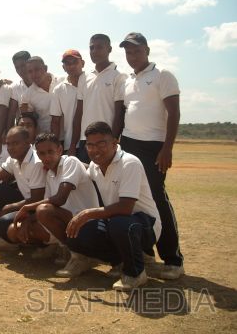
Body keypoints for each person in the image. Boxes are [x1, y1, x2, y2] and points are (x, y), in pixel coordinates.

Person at [59, 122, 161, 291]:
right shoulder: (95, 166)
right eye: (90, 145)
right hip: (117, 222)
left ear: (114, 143)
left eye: (101, 144)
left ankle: (135, 273)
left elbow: (126, 208)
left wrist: (87, 213)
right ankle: (119, 261)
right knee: (78, 233)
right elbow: (83, 174)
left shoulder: (129, 163)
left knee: (118, 223)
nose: (95, 150)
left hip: (145, 224)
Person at [119, 32, 184, 279]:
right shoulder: (128, 80)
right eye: (128, 52)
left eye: (136, 51)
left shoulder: (162, 75)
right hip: (128, 144)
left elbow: (174, 113)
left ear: (147, 50)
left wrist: (167, 148)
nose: (132, 56)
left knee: (157, 199)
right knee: (133, 199)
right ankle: (144, 253)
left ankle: (173, 260)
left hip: (153, 146)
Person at [9, 133, 98, 259]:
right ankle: (61, 247)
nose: (47, 157)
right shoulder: (50, 174)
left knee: (43, 210)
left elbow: (59, 199)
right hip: (66, 221)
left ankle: (78, 255)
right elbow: (51, 203)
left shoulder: (70, 162)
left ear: (60, 150)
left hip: (86, 223)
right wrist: (27, 220)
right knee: (13, 230)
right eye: (42, 153)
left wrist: (27, 207)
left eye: (50, 151)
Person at [69, 34, 126, 163]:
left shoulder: (118, 76)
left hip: (105, 142)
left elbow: (119, 113)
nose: (94, 51)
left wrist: (113, 141)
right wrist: (73, 144)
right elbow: (79, 113)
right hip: (85, 141)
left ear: (109, 49)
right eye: (92, 48)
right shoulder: (84, 77)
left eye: (99, 47)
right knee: (87, 175)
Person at [50, 49, 85, 155]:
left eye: (75, 62)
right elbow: (55, 121)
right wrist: (55, 148)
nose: (72, 66)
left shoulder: (92, 83)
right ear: (63, 68)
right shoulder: (58, 90)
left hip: (94, 141)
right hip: (70, 145)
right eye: (68, 64)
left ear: (82, 63)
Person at [20, 56, 63, 134]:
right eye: (30, 71)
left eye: (37, 69)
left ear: (45, 68)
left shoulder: (62, 82)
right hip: (46, 138)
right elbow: (28, 121)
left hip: (69, 136)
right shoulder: (27, 96)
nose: (34, 74)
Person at [7, 51, 32, 129]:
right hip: (25, 134)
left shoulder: (42, 84)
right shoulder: (15, 88)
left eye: (23, 65)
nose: (20, 70)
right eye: (17, 67)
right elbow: (11, 116)